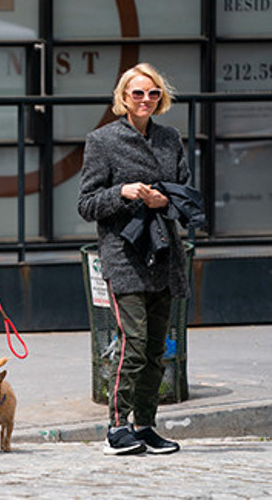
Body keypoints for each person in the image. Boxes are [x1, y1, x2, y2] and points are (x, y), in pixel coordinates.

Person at [77, 63, 188, 456]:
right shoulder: (102, 140)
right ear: (123, 98)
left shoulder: (171, 138)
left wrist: (164, 199)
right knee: (134, 344)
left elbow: (186, 196)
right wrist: (123, 192)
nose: (145, 99)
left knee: (158, 347)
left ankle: (145, 425)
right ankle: (117, 425)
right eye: (137, 93)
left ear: (161, 98)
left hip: (165, 255)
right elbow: (86, 204)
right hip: (125, 256)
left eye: (153, 93)